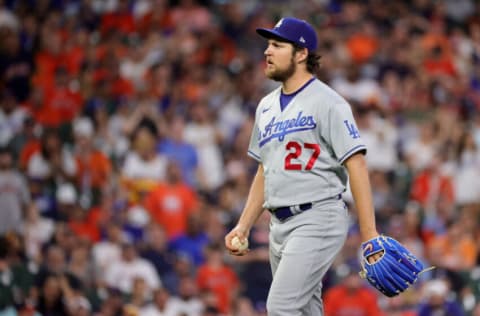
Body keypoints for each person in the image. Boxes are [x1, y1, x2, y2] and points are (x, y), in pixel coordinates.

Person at [224, 17, 381, 315]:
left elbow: (356, 165)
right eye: (268, 44)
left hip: (317, 216)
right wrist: (243, 225)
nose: (267, 51)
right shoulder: (266, 106)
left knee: (281, 306)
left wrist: (369, 233)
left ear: (301, 53)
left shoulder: (329, 102)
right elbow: (264, 171)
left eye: (277, 45)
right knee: (306, 310)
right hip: (278, 225)